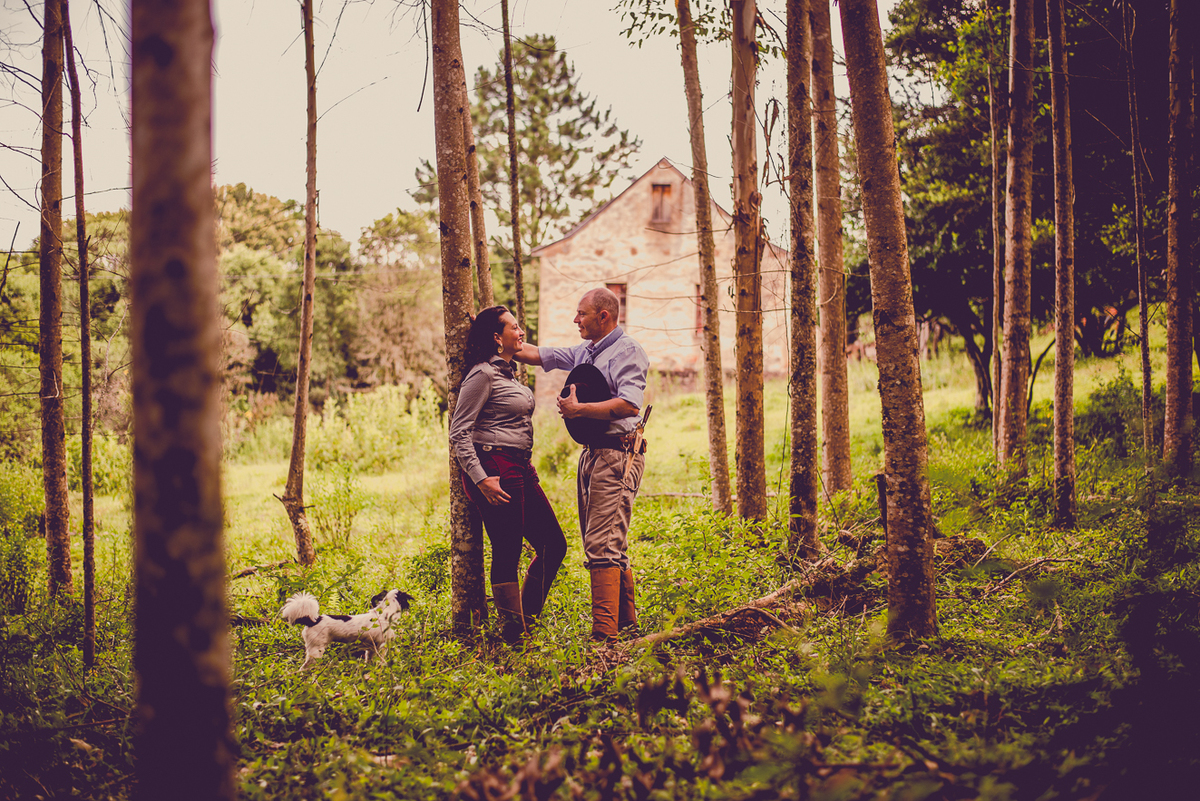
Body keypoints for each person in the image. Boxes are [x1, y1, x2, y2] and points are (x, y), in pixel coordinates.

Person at [514, 288, 649, 643]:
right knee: (606, 541)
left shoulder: (628, 350)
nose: (576, 320)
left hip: (620, 453)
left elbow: (630, 405)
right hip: (594, 453)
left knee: (601, 544)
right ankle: (627, 627)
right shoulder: (583, 352)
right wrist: (492, 336)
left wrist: (579, 411)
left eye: (582, 314)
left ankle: (605, 638)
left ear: (603, 316)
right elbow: (533, 354)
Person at [449, 305, 567, 643]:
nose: (521, 332)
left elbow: (530, 352)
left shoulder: (507, 373)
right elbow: (459, 431)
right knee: (508, 549)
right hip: (495, 467)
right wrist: (480, 478)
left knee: (553, 545)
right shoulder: (482, 375)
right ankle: (514, 633)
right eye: (514, 327)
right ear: (497, 337)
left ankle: (524, 620)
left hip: (520, 467)